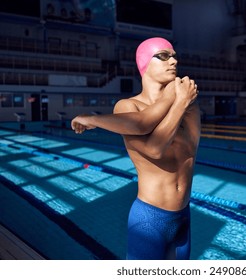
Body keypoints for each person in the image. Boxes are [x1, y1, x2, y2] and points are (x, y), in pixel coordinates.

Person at [71, 37, 201, 260]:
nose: (173, 61)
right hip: (150, 219)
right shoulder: (127, 106)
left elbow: (190, 150)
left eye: (174, 55)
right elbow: (154, 149)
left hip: (183, 217)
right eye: (163, 55)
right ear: (144, 64)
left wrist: (178, 101)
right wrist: (176, 101)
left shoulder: (190, 104)